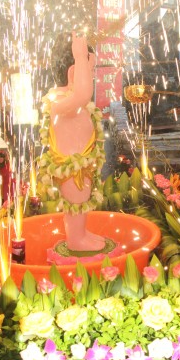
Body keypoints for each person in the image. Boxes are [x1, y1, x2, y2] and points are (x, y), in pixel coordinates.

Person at [38, 32, 107, 252]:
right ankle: (76, 240)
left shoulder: (69, 101)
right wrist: (80, 56)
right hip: (71, 170)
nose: (92, 77)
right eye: (89, 72)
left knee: (80, 203)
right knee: (75, 202)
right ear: (73, 73)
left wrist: (84, 62)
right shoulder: (61, 103)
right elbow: (83, 94)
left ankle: (81, 234)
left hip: (82, 166)